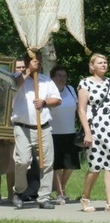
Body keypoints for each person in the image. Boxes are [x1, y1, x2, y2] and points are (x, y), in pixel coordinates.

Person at [77, 53, 110, 213]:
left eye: (105, 62)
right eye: (100, 62)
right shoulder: (85, 83)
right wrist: (87, 132)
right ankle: (85, 197)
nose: (104, 65)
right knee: (95, 164)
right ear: (92, 66)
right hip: (95, 126)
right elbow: (81, 109)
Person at [11, 51, 61, 209]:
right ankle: (19, 191)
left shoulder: (46, 81)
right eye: (34, 61)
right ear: (27, 62)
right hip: (22, 127)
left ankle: (44, 197)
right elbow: (14, 85)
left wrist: (45, 102)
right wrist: (27, 72)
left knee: (46, 163)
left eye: (39, 61)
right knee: (23, 161)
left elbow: (57, 99)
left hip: (43, 127)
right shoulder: (19, 79)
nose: (37, 64)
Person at [48, 65, 80, 205]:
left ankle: (60, 187)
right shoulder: (48, 91)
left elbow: (79, 108)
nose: (62, 79)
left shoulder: (71, 90)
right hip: (53, 133)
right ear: (52, 78)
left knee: (70, 165)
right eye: (59, 76)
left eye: (64, 76)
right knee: (56, 166)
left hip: (70, 132)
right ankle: (60, 193)